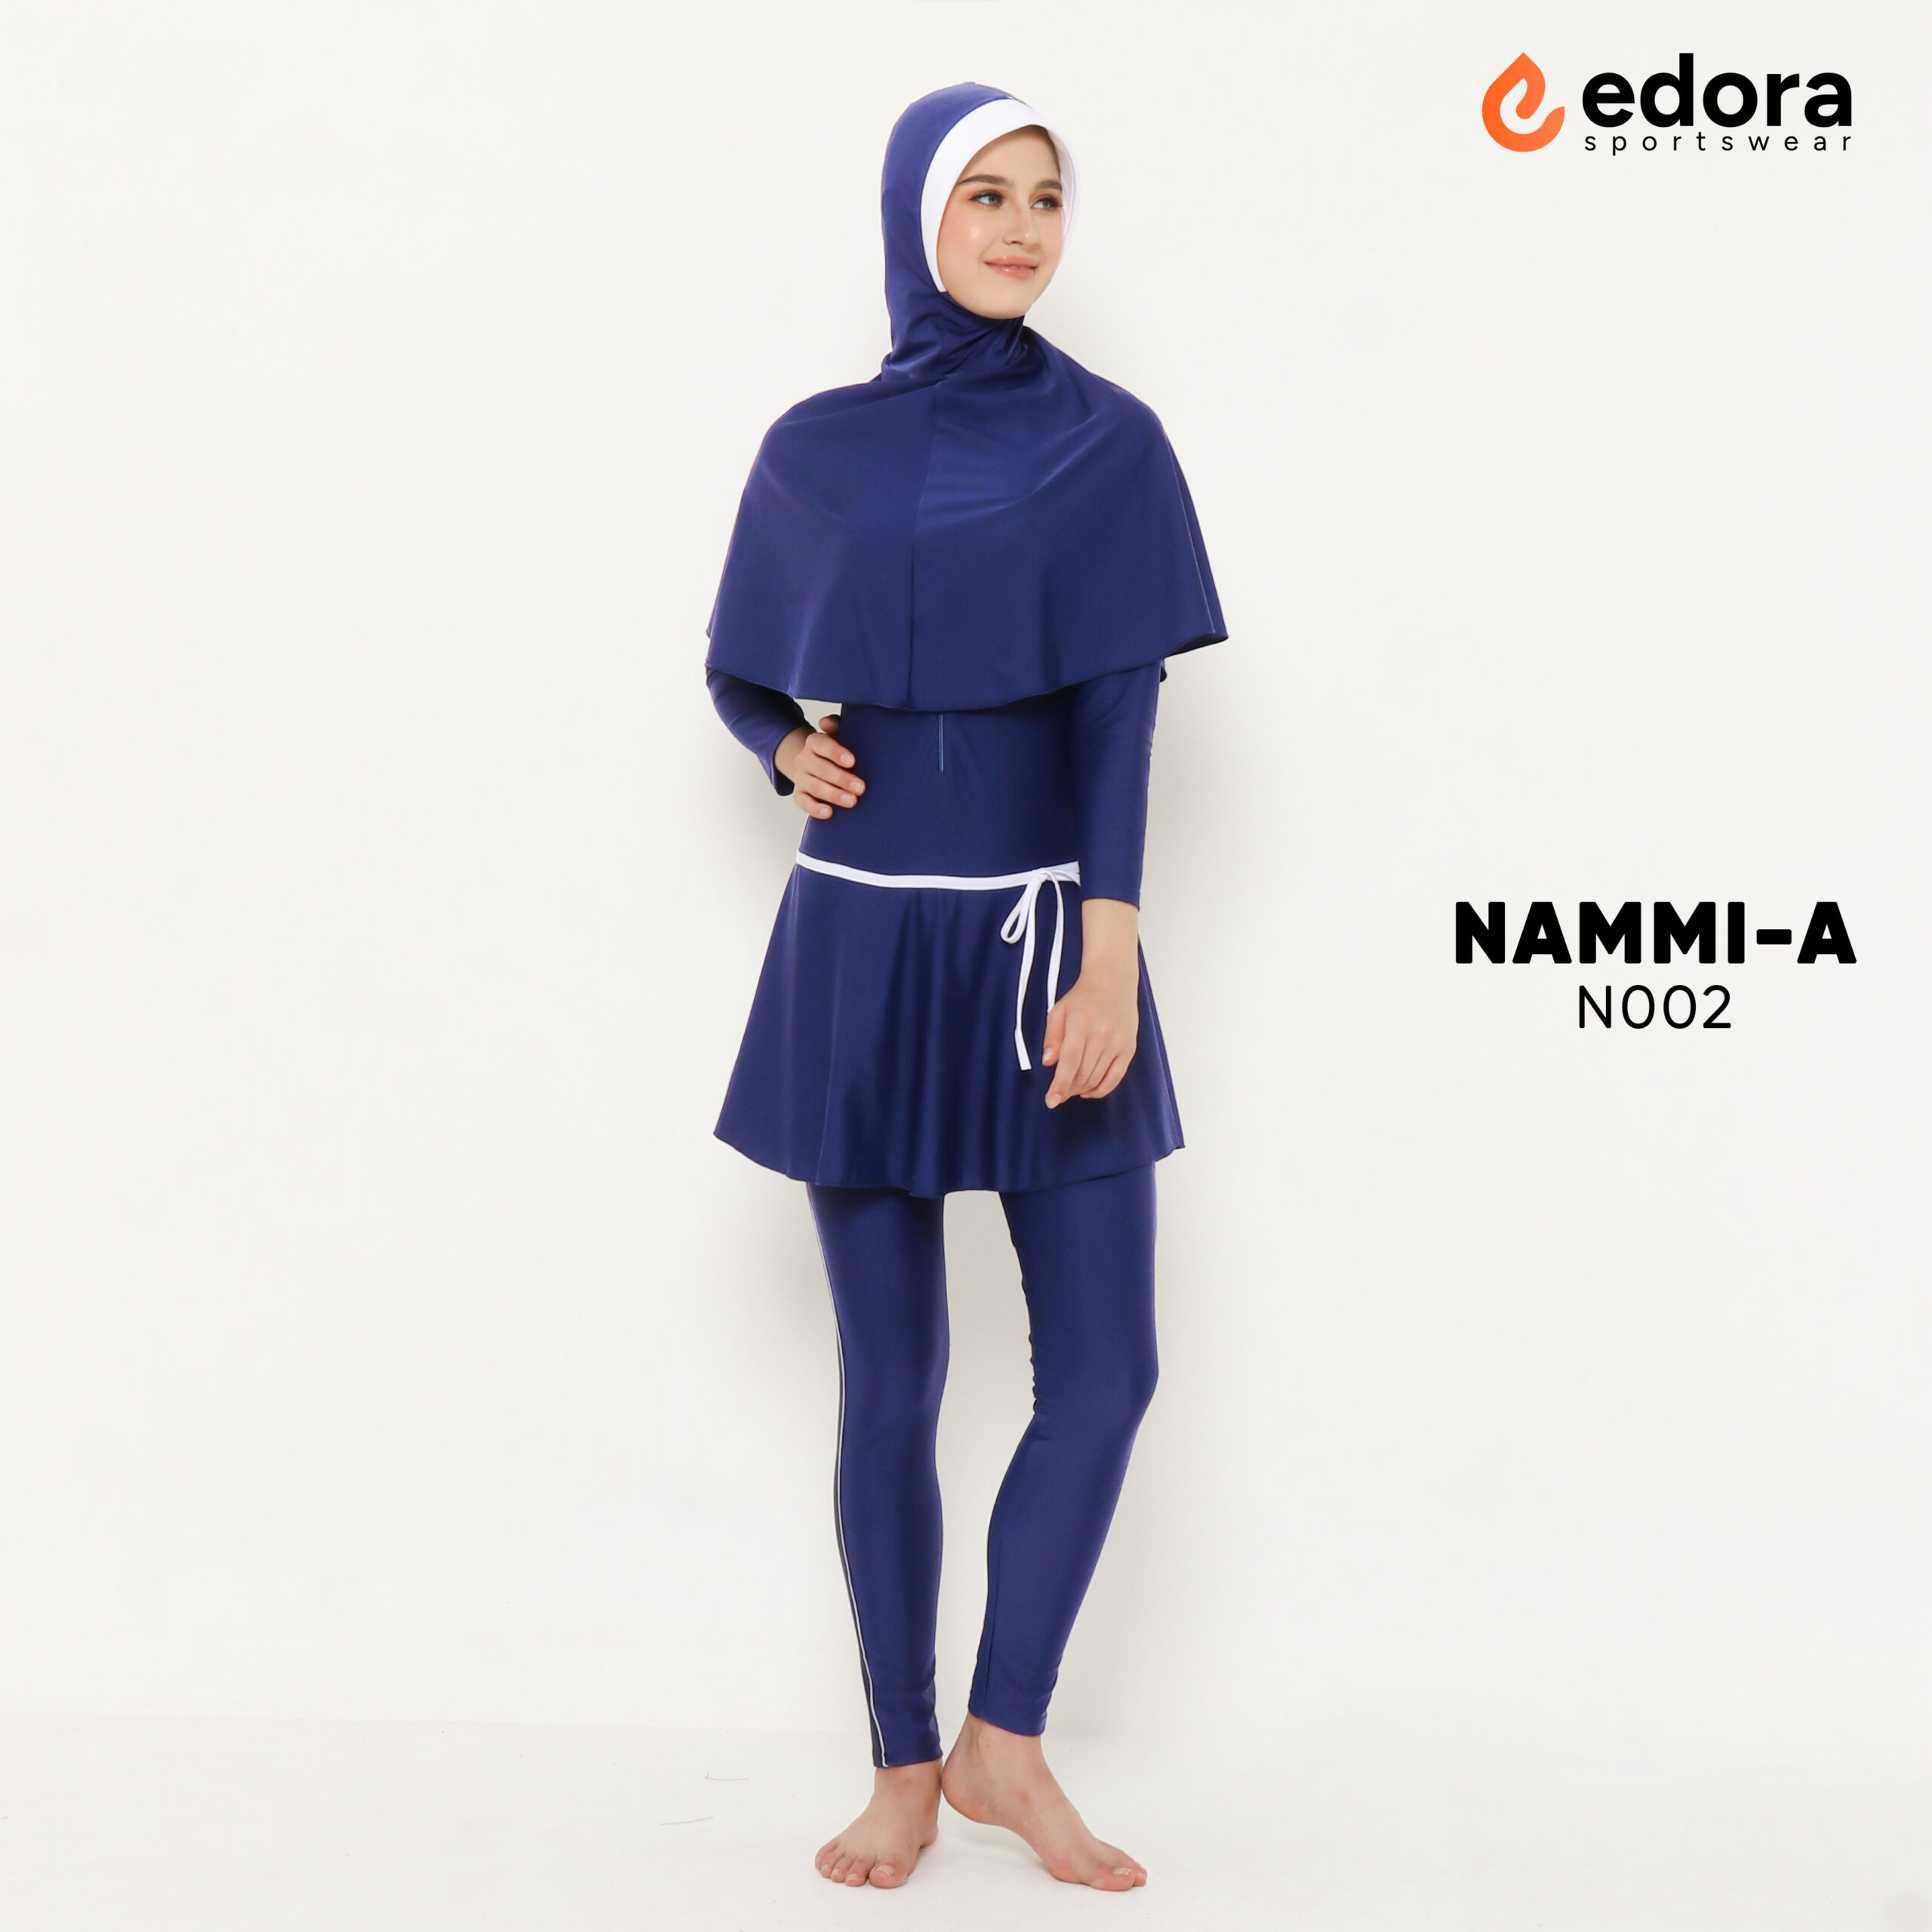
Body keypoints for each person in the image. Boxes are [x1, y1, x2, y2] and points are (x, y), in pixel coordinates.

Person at [703, 82, 1225, 1892]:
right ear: (913, 218)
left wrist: (1110, 944)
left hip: (1041, 948)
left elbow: (1119, 710)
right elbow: (738, 666)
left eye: (1043, 199)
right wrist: (780, 746)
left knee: (1105, 1367)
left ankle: (1008, 1736)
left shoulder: (1110, 445)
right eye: (982, 195)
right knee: (891, 1379)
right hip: (859, 951)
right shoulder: (811, 448)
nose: (1016, 228)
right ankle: (904, 1763)